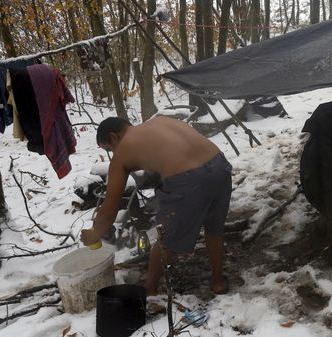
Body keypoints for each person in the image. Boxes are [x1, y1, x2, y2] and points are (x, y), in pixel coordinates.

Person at [80, 116, 233, 295]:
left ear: (114, 137)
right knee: (214, 229)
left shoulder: (122, 152)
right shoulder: (159, 121)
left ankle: (149, 291)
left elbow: (109, 209)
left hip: (190, 180)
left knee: (165, 239)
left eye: (109, 149)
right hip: (219, 166)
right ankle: (218, 282)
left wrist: (94, 234)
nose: (113, 153)